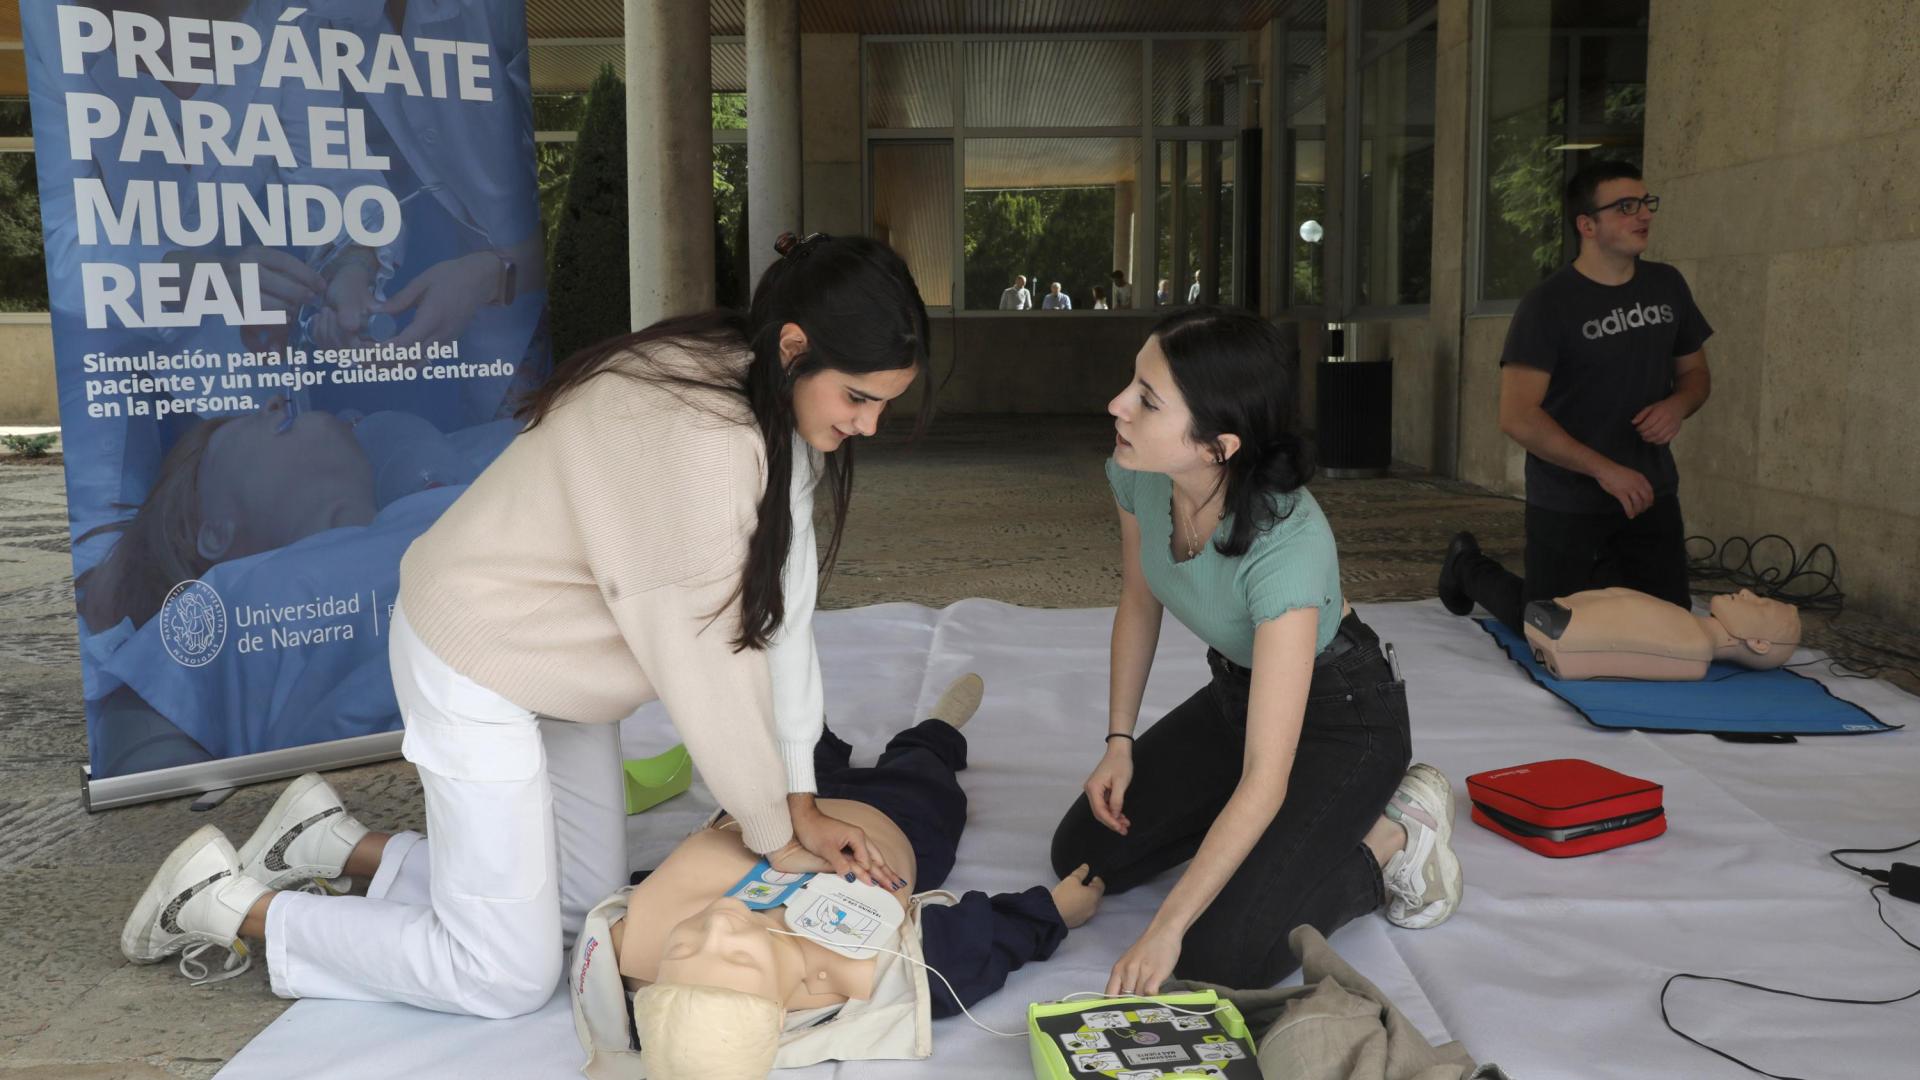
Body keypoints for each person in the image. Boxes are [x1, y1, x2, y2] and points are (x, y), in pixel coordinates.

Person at [119, 234, 932, 1018]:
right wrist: (773, 832)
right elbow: (709, 664)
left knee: (587, 918)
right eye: (858, 398)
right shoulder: (706, 441)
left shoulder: (764, 396)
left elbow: (782, 622)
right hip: (475, 656)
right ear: (794, 346)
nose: (868, 426)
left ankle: (327, 845)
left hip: (557, 673)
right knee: (505, 976)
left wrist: (801, 801)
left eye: (883, 405)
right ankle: (224, 904)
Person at [1051, 305, 1463, 997]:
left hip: (1344, 721)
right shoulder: (1140, 474)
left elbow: (1267, 776)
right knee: (1084, 855)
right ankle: (1257, 840)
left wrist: (1166, 927)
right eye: (1133, 382)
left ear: (1217, 445)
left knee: (1224, 954)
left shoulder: (1288, 548)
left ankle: (1395, 833)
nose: (1117, 405)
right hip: (1240, 697)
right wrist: (1118, 740)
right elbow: (1139, 599)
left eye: (1147, 400)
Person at [569, 674, 1106, 1078]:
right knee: (925, 772)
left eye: (683, 951)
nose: (717, 927)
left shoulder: (627, 956)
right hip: (897, 817)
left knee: (791, 754)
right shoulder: (874, 973)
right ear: (789, 1003)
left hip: (773, 808)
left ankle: (809, 729)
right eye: (736, 957)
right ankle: (936, 732)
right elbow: (982, 943)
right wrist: (1054, 912)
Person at [1436, 160, 1712, 636]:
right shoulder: (1548, 305)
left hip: (1651, 493)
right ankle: (1467, 568)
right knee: (1550, 630)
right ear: (1587, 224)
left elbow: (1695, 374)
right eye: (1625, 207)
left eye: (1646, 203)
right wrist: (1604, 469)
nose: (1643, 215)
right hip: (1569, 501)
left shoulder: (1667, 285)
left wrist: (1677, 405)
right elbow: (1517, 417)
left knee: (1671, 632)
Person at [1524, 587, 1800, 681]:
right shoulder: (1691, 627)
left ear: (1759, 644)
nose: (1745, 593)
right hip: (1559, 616)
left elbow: (1621, 642)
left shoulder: (1695, 648)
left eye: (1760, 606)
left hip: (1563, 627)